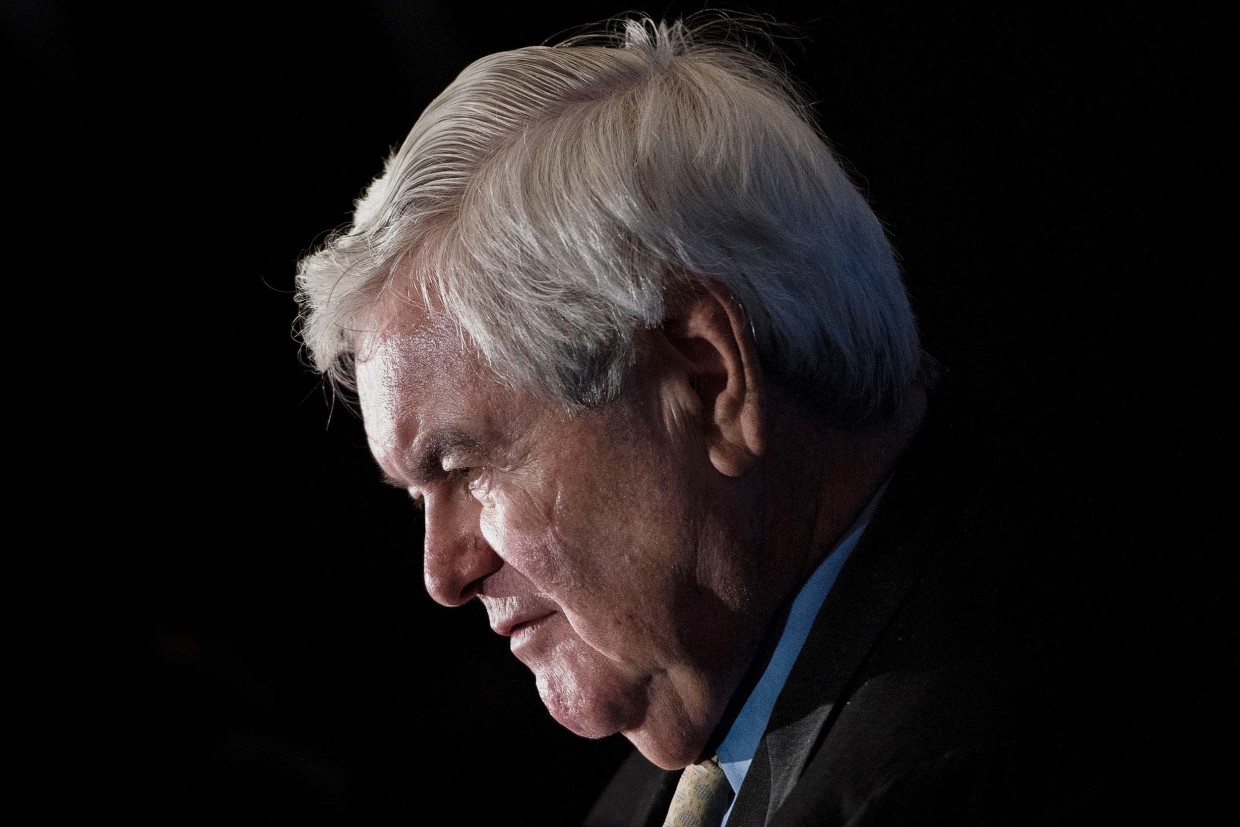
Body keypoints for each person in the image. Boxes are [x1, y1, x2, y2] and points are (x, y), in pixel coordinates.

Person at [292, 12, 1186, 826]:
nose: (443, 573)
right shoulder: (667, 779)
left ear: (710, 380)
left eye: (465, 466)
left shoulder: (976, 775)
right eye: (415, 496)